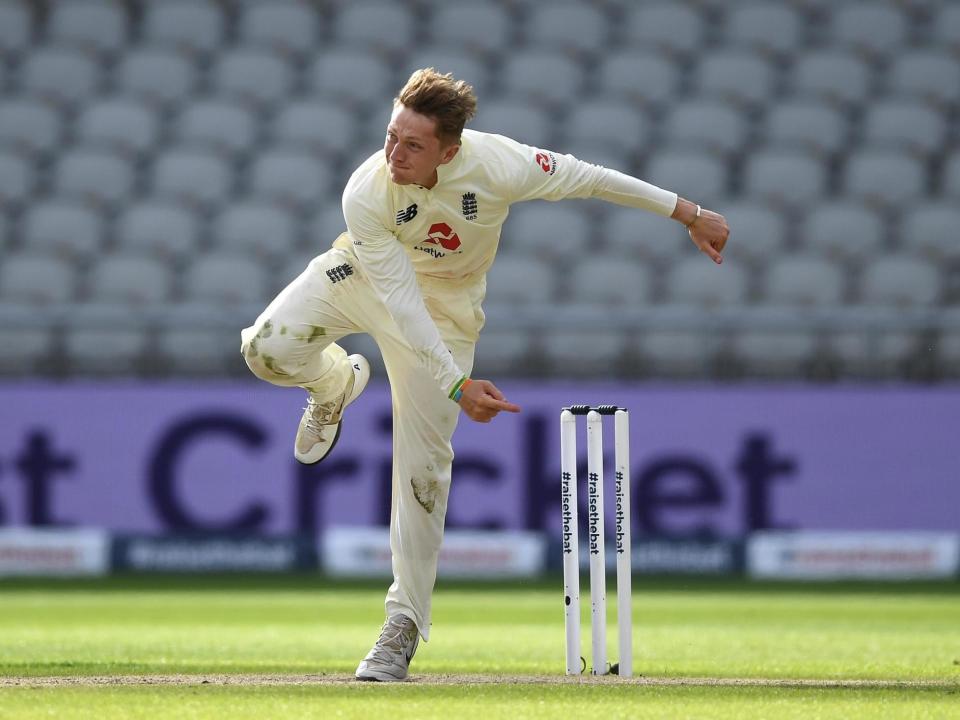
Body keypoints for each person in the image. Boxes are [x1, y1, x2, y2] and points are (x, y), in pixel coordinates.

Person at [240, 68, 729, 681]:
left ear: (451, 149)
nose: (394, 154)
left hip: (446, 311)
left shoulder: (499, 164)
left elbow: (591, 179)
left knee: (422, 472)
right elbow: (397, 299)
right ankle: (332, 384)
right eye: (391, 136)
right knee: (268, 350)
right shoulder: (366, 192)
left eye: (412, 145)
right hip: (365, 278)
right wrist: (456, 385)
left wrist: (687, 212)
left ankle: (403, 624)